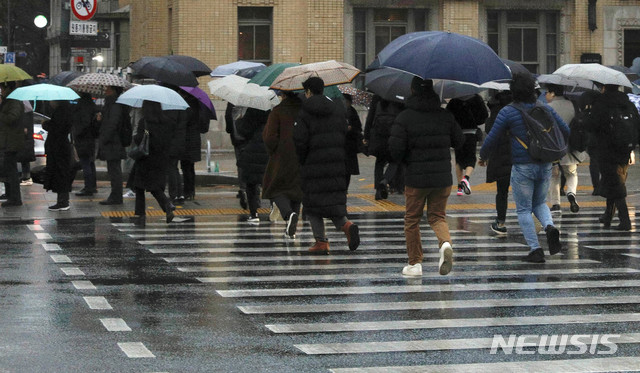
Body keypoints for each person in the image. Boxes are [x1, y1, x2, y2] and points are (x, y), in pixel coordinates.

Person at [479, 73, 569, 263]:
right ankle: (549, 226)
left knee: (523, 209)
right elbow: (566, 130)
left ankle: (535, 250)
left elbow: (492, 138)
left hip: (522, 166)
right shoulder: (545, 108)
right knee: (539, 203)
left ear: (513, 92)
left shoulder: (508, 112)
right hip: (544, 163)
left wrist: (483, 156)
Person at [388, 77, 463, 276]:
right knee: (438, 216)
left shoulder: (405, 117)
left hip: (415, 178)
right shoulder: (445, 116)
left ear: (412, 90)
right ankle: (445, 243)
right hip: (442, 178)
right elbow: (459, 141)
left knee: (412, 219)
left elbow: (395, 150)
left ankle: (415, 263)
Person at [294, 77, 360, 253]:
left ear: (308, 92)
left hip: (313, 164)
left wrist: (302, 160)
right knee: (332, 204)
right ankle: (346, 225)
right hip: (336, 163)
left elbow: (300, 141)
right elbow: (343, 134)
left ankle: (321, 242)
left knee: (313, 206)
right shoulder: (337, 110)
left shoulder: (304, 112)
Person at [587, 84, 640, 231]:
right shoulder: (628, 103)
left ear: (604, 87)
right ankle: (608, 215)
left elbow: (592, 126)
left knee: (615, 183)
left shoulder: (601, 104)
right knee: (613, 180)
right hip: (625, 149)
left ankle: (625, 220)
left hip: (606, 149)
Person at [262, 91, 303, 237]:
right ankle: (291, 228)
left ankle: (288, 215)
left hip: (282, 156)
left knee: (275, 189)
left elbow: (270, 138)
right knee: (296, 191)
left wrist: (272, 150)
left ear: (283, 95)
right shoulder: (304, 109)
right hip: (301, 155)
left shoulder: (278, 111)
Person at [130, 101, 177, 223]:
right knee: (155, 186)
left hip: (145, 158)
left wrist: (136, 137)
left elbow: (140, 139)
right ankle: (167, 206)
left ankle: (140, 215)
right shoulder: (167, 122)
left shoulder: (144, 122)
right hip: (161, 158)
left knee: (140, 186)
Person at [545, 84, 582, 214]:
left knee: (554, 176)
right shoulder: (573, 105)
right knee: (571, 173)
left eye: (547, 92)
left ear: (553, 93)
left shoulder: (548, 108)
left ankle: (555, 205)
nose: (546, 95)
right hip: (571, 146)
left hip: (553, 147)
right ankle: (571, 193)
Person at [363, 95, 404, 200]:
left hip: (378, 136)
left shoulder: (378, 96)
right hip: (393, 136)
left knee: (379, 162)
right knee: (394, 161)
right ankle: (385, 180)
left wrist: (366, 136)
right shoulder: (399, 97)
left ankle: (378, 191)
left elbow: (370, 117)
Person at [484, 90, 513, 235]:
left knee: (502, 192)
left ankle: (501, 222)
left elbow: (489, 132)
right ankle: (534, 216)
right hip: (519, 158)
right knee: (525, 192)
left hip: (500, 159)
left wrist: (483, 156)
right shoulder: (518, 110)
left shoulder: (496, 114)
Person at [446, 93, 488, 196]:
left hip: (458, 132)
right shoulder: (477, 98)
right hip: (471, 132)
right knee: (471, 158)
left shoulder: (454, 99)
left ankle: (460, 188)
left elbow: (448, 115)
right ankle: (466, 178)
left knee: (459, 159)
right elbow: (484, 115)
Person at [96, 85, 129, 205]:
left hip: (113, 142)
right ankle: (115, 195)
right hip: (113, 142)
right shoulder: (111, 105)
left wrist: (104, 138)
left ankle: (116, 196)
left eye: (108, 89)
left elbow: (112, 124)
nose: (105, 91)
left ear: (114, 91)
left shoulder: (115, 106)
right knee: (113, 170)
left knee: (114, 171)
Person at [236, 107, 270, 223]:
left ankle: (254, 213)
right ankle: (274, 207)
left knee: (251, 183)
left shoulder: (252, 110)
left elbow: (243, 131)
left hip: (252, 149)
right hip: (267, 149)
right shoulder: (271, 111)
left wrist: (239, 120)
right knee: (267, 181)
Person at [42, 100, 74, 211]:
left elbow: (57, 128)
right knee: (61, 173)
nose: (50, 102)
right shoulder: (64, 111)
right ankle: (62, 201)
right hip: (60, 147)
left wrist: (46, 124)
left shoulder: (61, 112)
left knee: (61, 173)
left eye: (51, 100)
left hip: (58, 147)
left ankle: (63, 202)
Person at [180, 92, 212, 201]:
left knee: (185, 166)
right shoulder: (199, 103)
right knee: (190, 166)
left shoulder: (186, 104)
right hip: (194, 138)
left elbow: (184, 121)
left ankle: (187, 191)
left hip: (186, 138)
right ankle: (191, 190)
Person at [0, 81, 25, 207]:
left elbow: (12, 117)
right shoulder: (8, 100)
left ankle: (15, 198)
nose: (1, 91)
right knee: (8, 168)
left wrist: (1, 113)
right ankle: (10, 194)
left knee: (12, 170)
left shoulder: (14, 100)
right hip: (7, 140)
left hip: (12, 141)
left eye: (2, 88)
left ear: (7, 88)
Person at [72, 92, 99, 196]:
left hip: (83, 139)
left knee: (85, 163)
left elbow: (83, 123)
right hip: (91, 139)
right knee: (90, 163)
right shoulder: (93, 106)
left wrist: (77, 133)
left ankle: (88, 187)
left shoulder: (82, 107)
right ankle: (92, 186)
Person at [225, 103, 249, 209]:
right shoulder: (251, 100)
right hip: (248, 137)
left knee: (240, 163)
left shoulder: (232, 101)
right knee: (250, 163)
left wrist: (230, 131)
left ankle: (242, 188)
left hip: (237, 137)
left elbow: (227, 117)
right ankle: (252, 188)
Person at [343, 93, 363, 191]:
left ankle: (345, 188)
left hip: (350, 145)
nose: (345, 104)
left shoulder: (353, 112)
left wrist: (352, 128)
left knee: (348, 170)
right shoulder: (338, 112)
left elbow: (358, 127)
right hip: (341, 144)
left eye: (346, 102)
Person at [17, 100, 35, 187]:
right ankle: (25, 176)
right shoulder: (28, 115)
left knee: (25, 158)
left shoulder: (26, 117)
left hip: (25, 141)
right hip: (26, 141)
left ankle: (26, 177)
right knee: (24, 158)